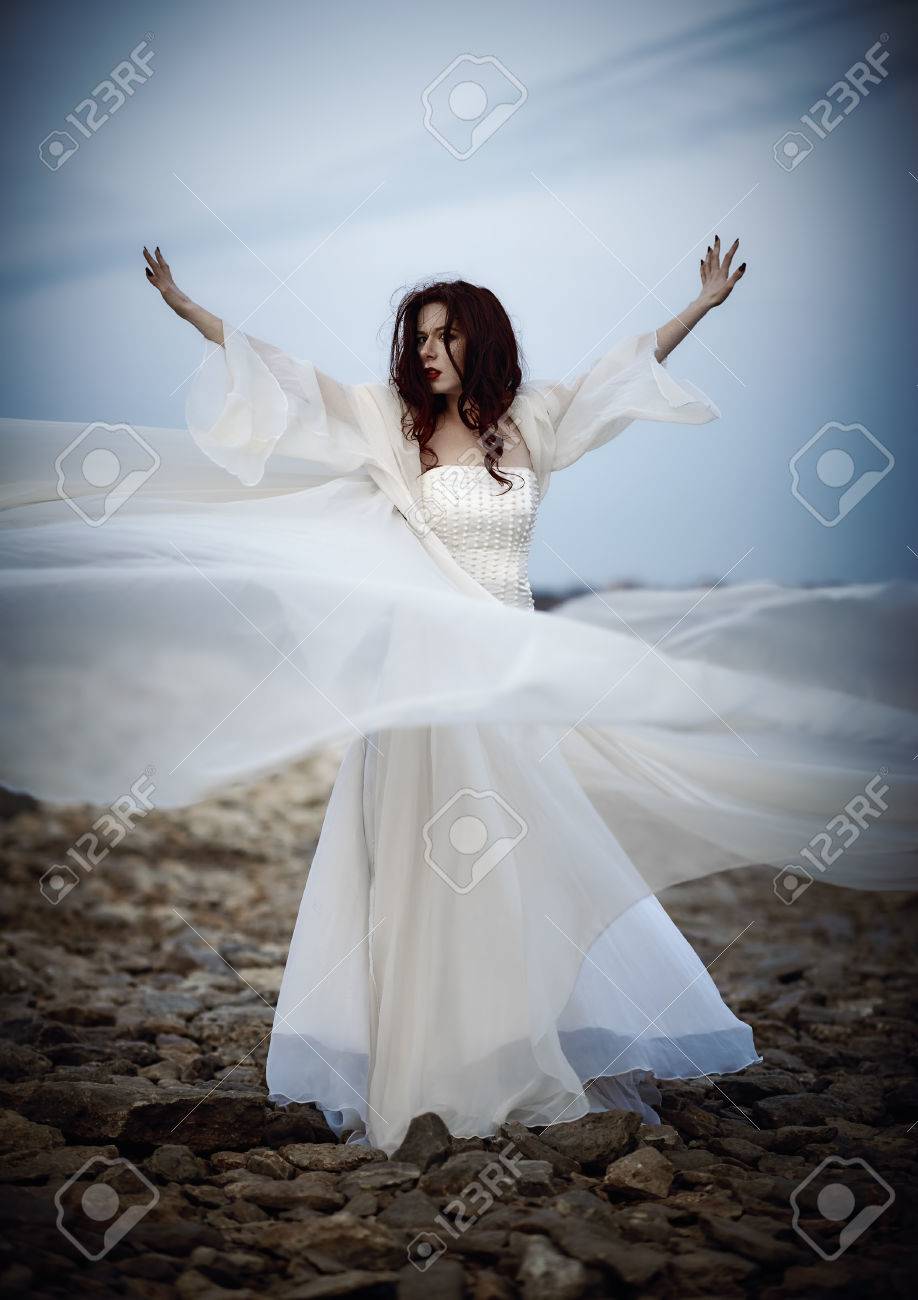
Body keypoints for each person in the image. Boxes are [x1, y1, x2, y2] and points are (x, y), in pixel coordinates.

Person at [0, 242, 914, 1154]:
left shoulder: (535, 421)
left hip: (516, 678)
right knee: (428, 875)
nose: (428, 352)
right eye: (420, 338)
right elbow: (291, 382)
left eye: (445, 337)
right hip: (427, 684)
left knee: (529, 868)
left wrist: (702, 305)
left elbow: (621, 373)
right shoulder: (391, 426)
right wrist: (188, 307)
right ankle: (429, 1073)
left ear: (482, 343)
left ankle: (517, 1046)